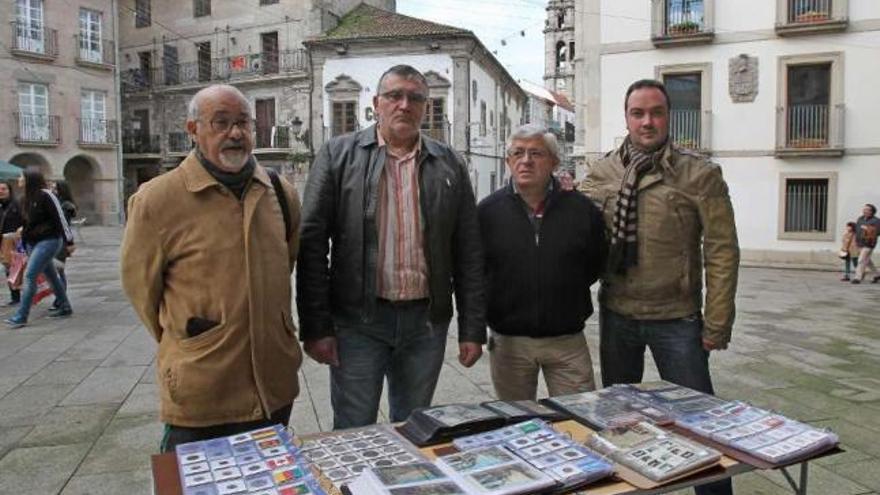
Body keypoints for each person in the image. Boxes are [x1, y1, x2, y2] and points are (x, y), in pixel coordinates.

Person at [297, 65, 485, 429]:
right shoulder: (338, 156)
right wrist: (316, 326)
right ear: (376, 104)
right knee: (354, 428)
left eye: (415, 98)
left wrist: (472, 328)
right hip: (358, 322)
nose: (404, 105)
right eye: (394, 95)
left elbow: (469, 251)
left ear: (426, 107)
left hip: (425, 325)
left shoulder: (449, 164)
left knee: (413, 428)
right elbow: (312, 245)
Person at [120, 84, 303, 452]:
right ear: (193, 130)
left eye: (243, 123)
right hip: (202, 390)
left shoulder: (281, 193)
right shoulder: (157, 200)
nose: (235, 133)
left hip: (274, 384)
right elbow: (141, 289)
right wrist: (193, 338)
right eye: (220, 122)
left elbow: (287, 261)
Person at [581, 79, 738, 495]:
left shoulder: (699, 174)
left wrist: (717, 321)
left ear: (669, 116)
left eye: (656, 112)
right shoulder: (602, 172)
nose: (647, 121)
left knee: (700, 423)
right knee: (620, 421)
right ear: (627, 117)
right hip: (619, 314)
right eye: (638, 113)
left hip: (678, 320)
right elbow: (580, 238)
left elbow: (722, 251)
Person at [478, 124, 606, 401]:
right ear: (508, 161)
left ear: (554, 162)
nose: (526, 160)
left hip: (567, 340)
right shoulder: (486, 213)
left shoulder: (582, 210)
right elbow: (476, 273)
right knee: (516, 424)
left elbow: (595, 263)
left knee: (581, 418)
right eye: (518, 153)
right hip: (509, 342)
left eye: (536, 153)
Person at [4, 167, 74, 328]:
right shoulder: (24, 199)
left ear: (30, 179)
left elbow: (60, 219)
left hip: (49, 240)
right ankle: (64, 306)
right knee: (51, 276)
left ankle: (21, 316)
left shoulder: (46, 195)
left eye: (21, 177)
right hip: (32, 242)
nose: (19, 180)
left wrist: (69, 242)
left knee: (30, 276)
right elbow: (26, 222)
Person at [51, 180, 77, 307]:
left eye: (55, 189)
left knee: (58, 270)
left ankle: (61, 300)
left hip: (61, 241)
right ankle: (59, 299)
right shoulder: (58, 203)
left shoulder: (65, 205)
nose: (53, 191)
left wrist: (69, 242)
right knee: (56, 271)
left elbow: (65, 224)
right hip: (56, 240)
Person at [0, 181, 23, 305]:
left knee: (18, 268)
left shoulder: (16, 205)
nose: (1, 191)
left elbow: (24, 220)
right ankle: (15, 297)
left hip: (16, 241)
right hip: (3, 242)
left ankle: (22, 295)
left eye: (4, 189)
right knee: (9, 268)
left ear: (10, 191)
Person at [851, 203, 880, 284]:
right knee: (867, 261)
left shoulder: (876, 220)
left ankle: (857, 278)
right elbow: (856, 230)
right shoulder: (860, 218)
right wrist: (854, 241)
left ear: (872, 211)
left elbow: (877, 232)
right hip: (859, 242)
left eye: (867, 209)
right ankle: (877, 274)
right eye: (864, 209)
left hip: (869, 244)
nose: (865, 211)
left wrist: (867, 228)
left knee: (861, 260)